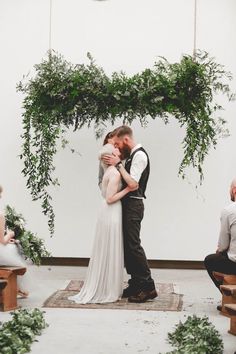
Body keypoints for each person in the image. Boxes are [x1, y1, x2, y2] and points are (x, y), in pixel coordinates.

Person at [69, 143, 136, 304]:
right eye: (115, 150)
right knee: (110, 247)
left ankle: (106, 284)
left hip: (107, 211)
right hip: (111, 211)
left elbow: (103, 193)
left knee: (106, 247)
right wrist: (128, 189)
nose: (118, 151)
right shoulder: (115, 174)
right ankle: (107, 289)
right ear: (109, 158)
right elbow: (110, 198)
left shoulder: (109, 172)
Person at [102, 125, 157, 303]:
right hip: (127, 204)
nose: (117, 148)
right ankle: (135, 283)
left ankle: (148, 286)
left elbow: (133, 183)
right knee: (126, 246)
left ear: (126, 140)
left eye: (118, 144)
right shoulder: (131, 155)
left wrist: (118, 165)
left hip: (134, 204)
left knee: (133, 245)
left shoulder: (139, 155)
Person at [204, 178, 236, 292]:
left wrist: (221, 250)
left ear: (234, 190)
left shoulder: (229, 210)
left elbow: (223, 245)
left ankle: (228, 296)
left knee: (210, 260)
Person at [0, 185, 29, 297]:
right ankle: (16, 288)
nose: (1, 196)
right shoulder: (0, 215)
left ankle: (16, 287)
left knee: (13, 245)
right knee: (17, 248)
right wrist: (10, 234)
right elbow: (2, 241)